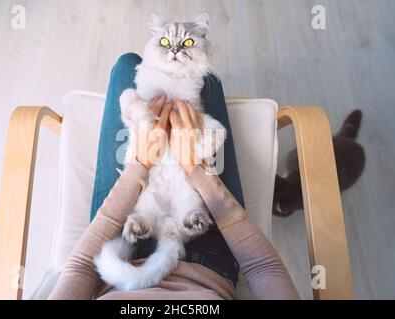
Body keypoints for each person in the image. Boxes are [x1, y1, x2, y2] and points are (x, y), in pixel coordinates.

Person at [48, 54, 299, 300]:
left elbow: (80, 268)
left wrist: (140, 164)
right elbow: (264, 267)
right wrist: (196, 167)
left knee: (128, 65)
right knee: (205, 77)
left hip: (124, 238)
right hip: (210, 251)